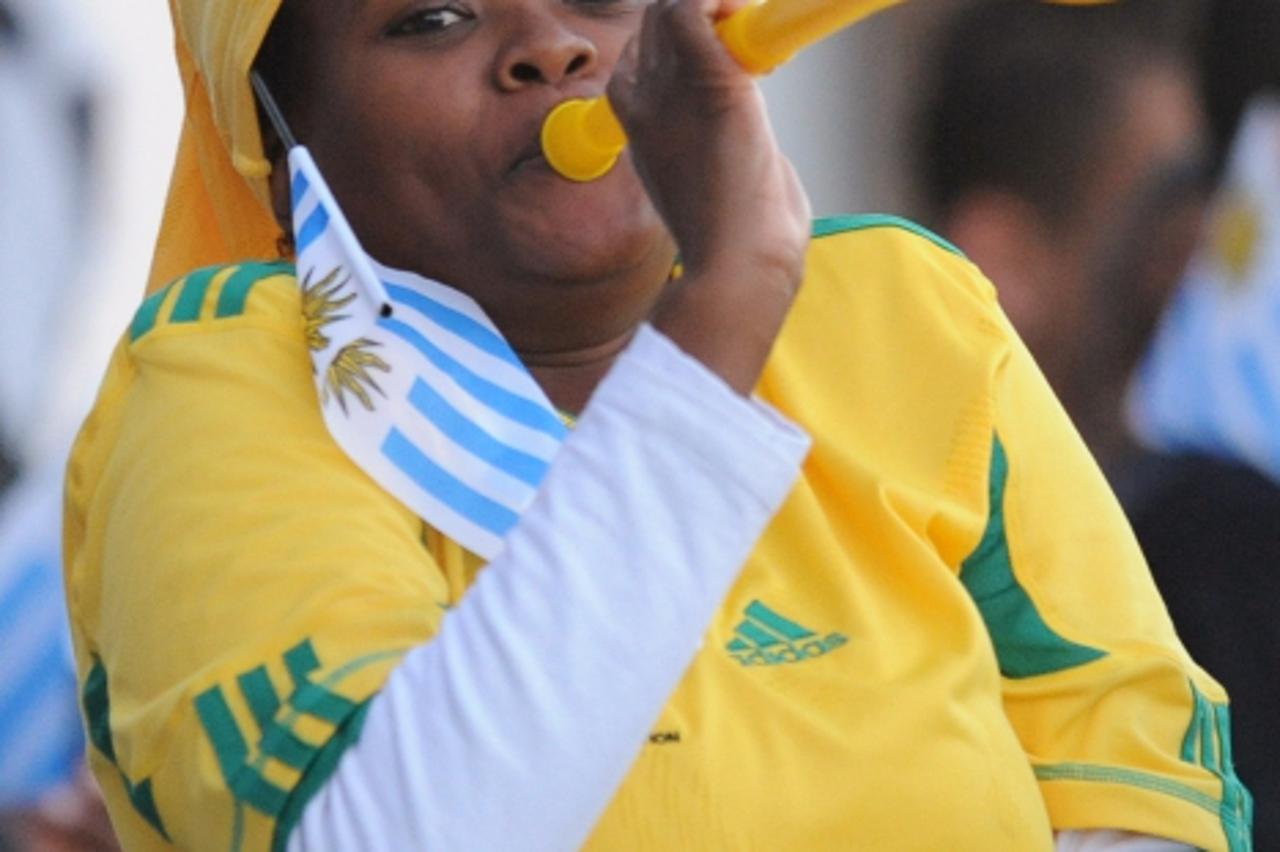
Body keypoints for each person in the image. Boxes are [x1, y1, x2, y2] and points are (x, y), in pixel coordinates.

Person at [63, 0, 1250, 850]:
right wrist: (727, 300)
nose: (550, 44)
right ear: (277, 140)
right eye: (430, 18)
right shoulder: (228, 382)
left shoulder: (902, 313)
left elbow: (1145, 790)